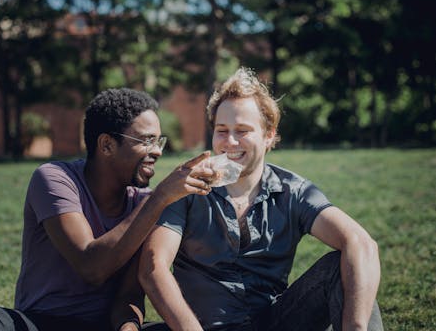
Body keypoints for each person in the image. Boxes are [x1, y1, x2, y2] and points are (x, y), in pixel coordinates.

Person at [139, 68, 384, 331]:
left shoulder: (294, 191)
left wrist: (356, 327)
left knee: (345, 264)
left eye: (242, 130)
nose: (230, 141)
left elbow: (361, 243)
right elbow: (154, 266)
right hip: (200, 326)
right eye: (222, 130)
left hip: (275, 322)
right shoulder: (186, 188)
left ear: (268, 136)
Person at [0, 88, 214, 331]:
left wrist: (128, 328)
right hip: (43, 323)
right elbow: (91, 267)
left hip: (103, 326)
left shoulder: (143, 203)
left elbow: (128, 297)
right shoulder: (54, 179)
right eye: (146, 141)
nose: (156, 151)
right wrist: (159, 198)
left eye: (159, 141)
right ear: (107, 145)